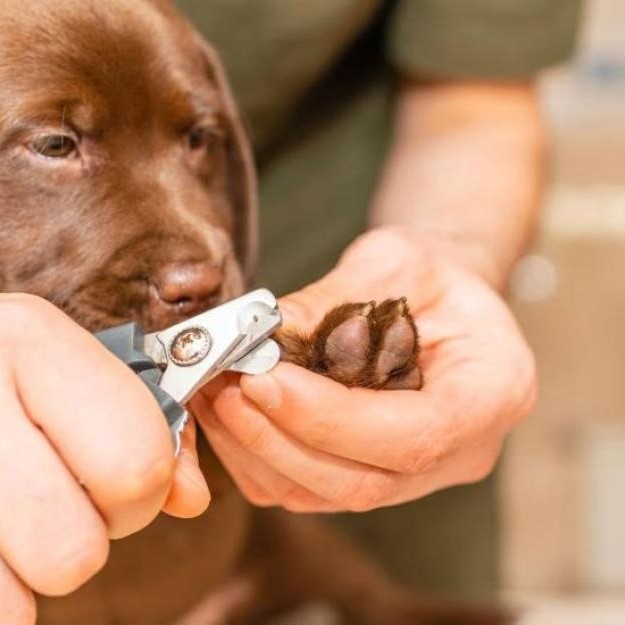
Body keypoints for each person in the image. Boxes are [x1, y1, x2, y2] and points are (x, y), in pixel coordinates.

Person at [0, 1, 583, 619]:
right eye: (56, 144)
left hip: (325, 497)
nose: (192, 266)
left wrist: (449, 265)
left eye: (199, 139)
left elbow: (473, 107)